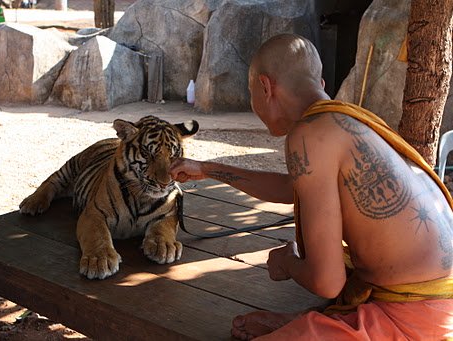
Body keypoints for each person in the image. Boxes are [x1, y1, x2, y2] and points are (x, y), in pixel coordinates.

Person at [169, 33, 453, 340]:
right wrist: (207, 169)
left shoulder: (309, 133)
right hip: (432, 296)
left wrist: (289, 263)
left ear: (265, 87)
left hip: (420, 318)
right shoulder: (346, 121)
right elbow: (292, 187)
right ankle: (310, 323)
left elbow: (326, 282)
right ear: (321, 84)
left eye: (252, 94)